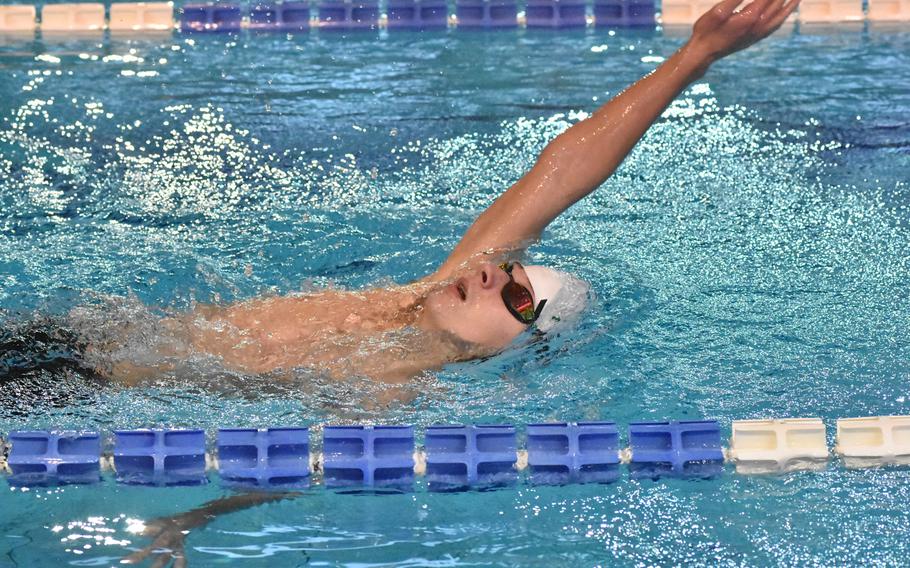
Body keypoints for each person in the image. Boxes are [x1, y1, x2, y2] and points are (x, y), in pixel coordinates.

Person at [118, 0, 799, 562]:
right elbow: (560, 172)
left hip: (72, 389)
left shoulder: (387, 393)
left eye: (519, 297)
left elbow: (297, 473)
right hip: (77, 339)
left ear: (514, 354)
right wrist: (695, 55)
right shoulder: (420, 292)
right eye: (506, 269)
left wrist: (191, 520)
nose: (491, 274)